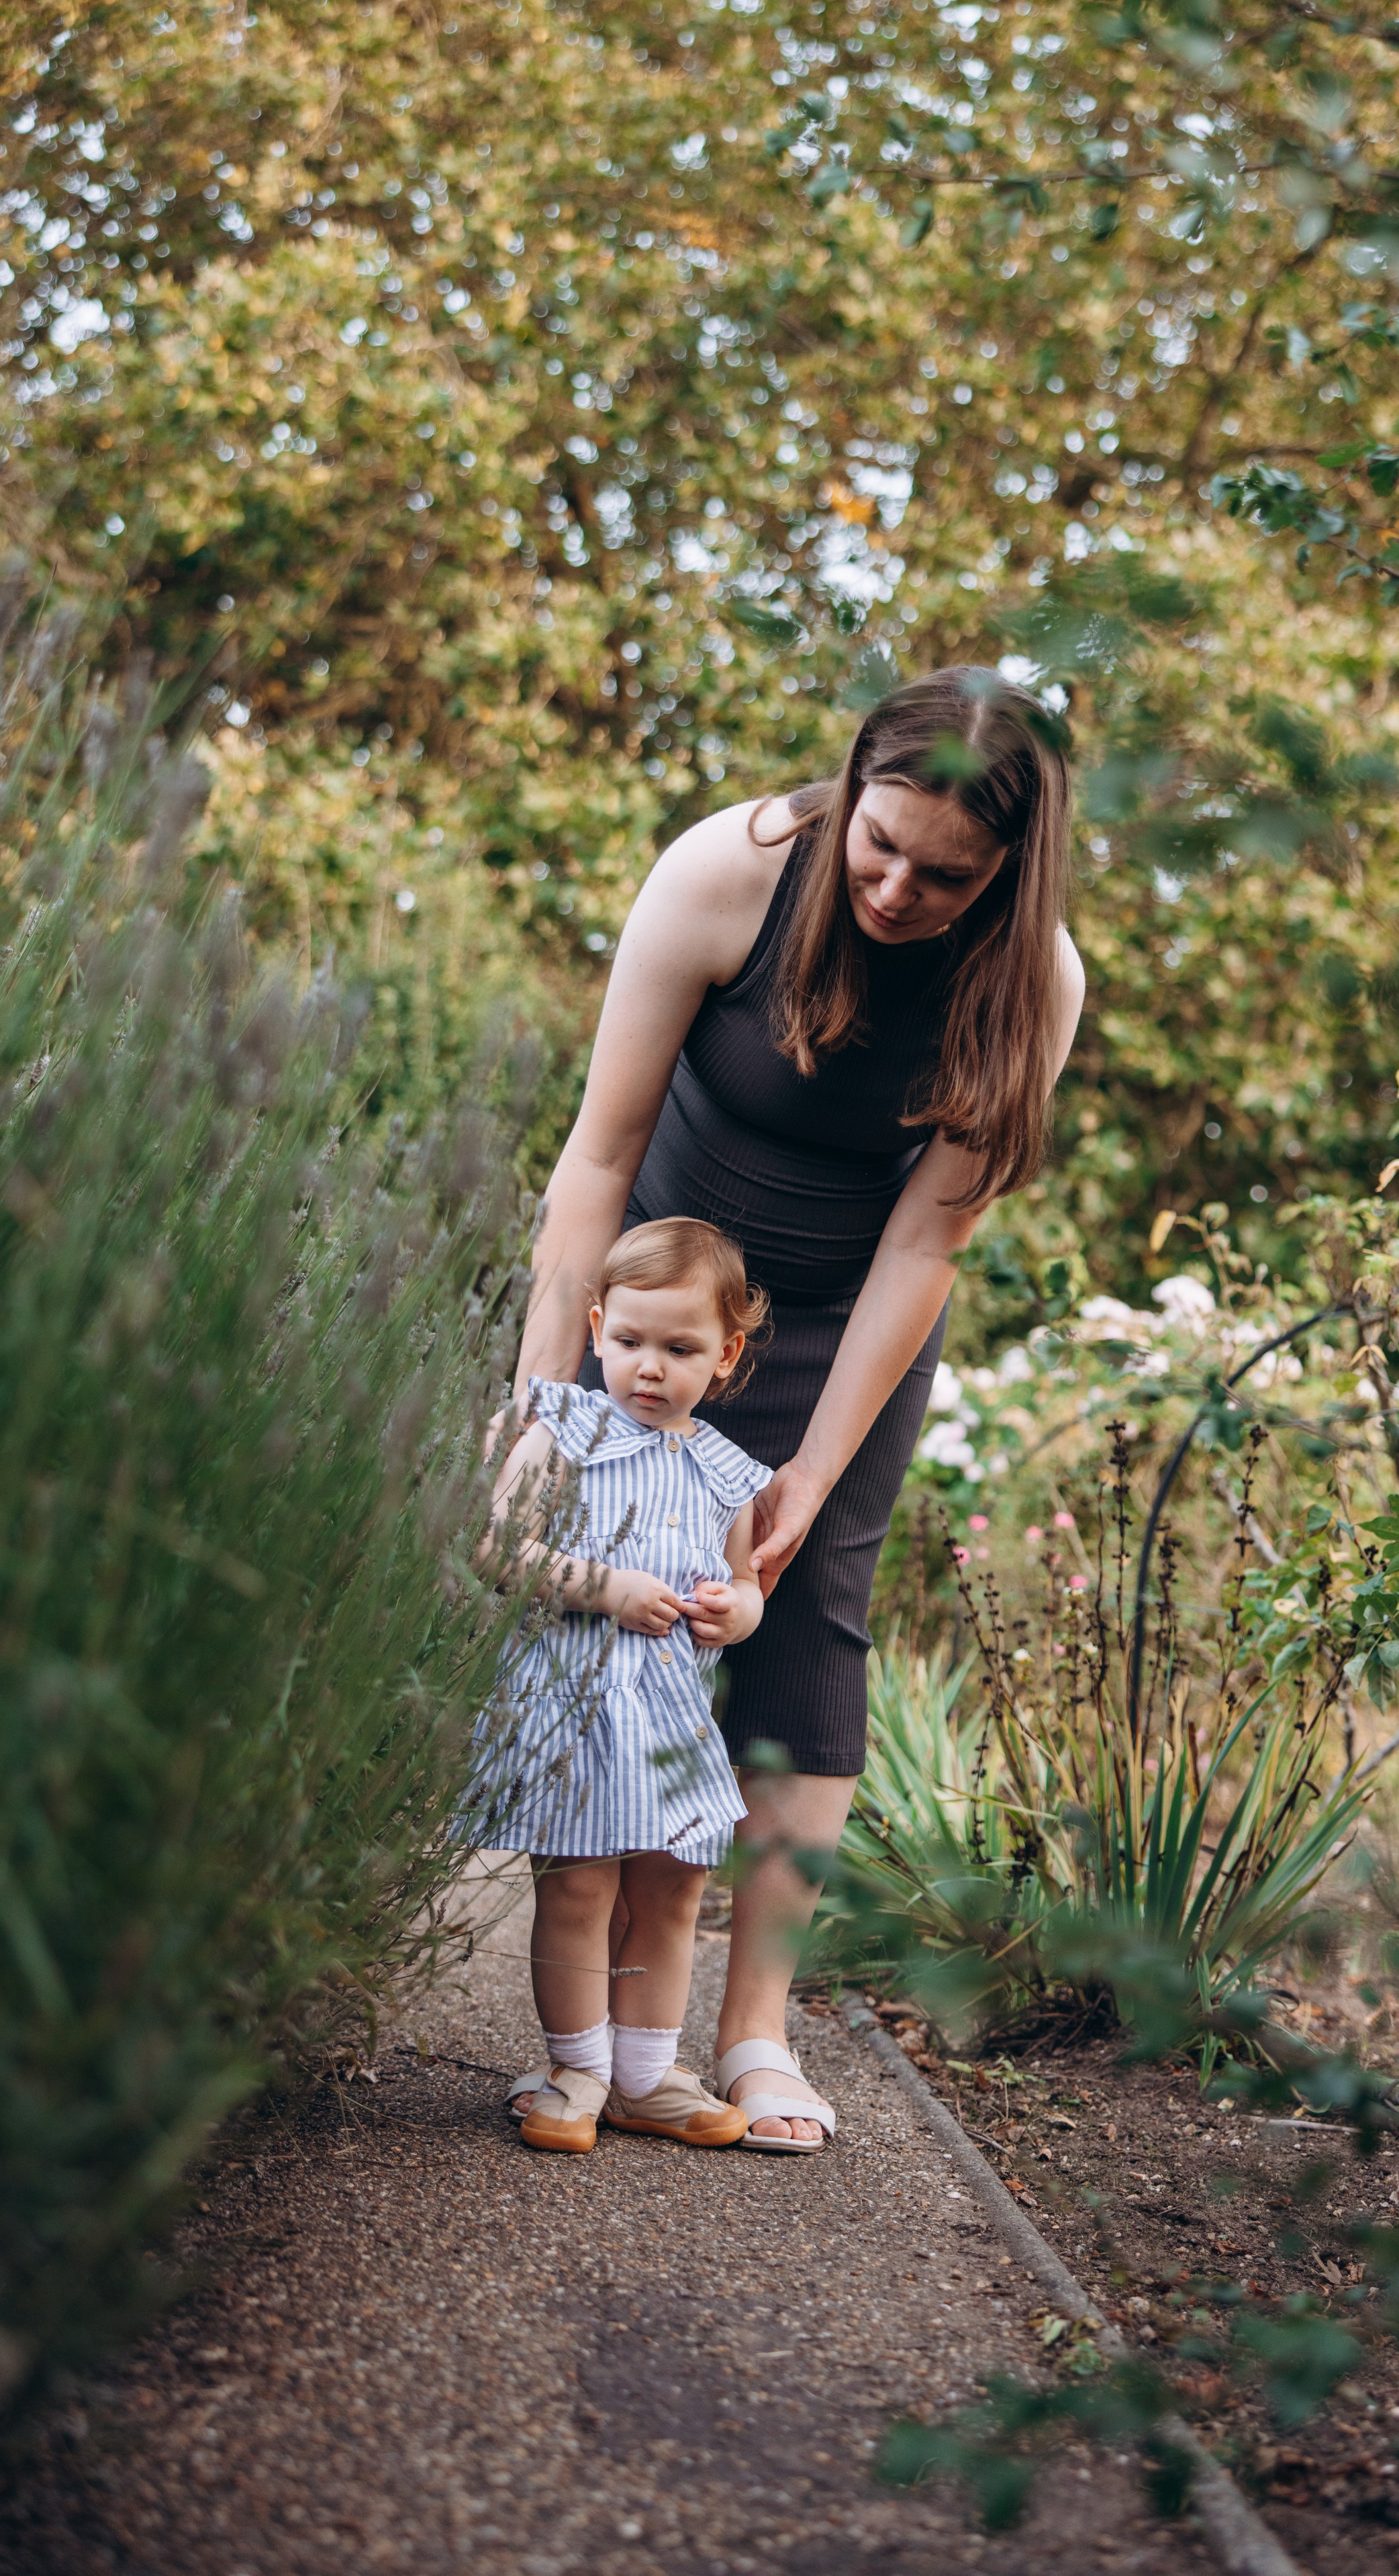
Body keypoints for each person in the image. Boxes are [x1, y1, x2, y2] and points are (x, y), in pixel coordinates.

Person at [504, 666, 1084, 2149]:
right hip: (661, 1297)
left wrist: (811, 1471)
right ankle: (586, 2033)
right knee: (591, 1602)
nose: (895, 887)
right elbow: (595, 1154)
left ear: (1009, 869)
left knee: (804, 1609)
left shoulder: (1034, 983)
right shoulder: (724, 870)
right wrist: (539, 1400)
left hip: (843, 1319)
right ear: (847, 795)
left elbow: (927, 1241)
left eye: (945, 873)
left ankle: (752, 2033)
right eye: (877, 845)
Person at [473, 1218, 771, 2155]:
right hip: (572, 1705)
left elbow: (748, 1580)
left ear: (722, 1357)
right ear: (598, 1327)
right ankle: (577, 2070)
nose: (649, 1366)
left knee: (675, 1884)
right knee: (579, 1885)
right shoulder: (562, 1431)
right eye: (630, 1340)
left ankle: (645, 2075)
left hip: (672, 1719)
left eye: (679, 1349)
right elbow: (495, 1548)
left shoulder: (725, 1471)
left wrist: (738, 1611)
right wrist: (604, 1587)